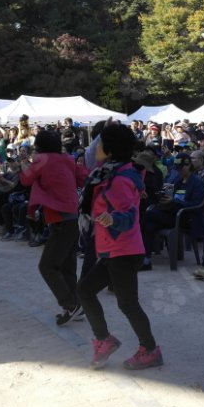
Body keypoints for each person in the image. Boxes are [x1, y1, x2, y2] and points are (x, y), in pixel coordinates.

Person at [76, 124, 163, 370]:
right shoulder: (109, 173)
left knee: (127, 303)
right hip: (113, 248)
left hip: (124, 249)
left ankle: (150, 350)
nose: (96, 148)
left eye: (100, 144)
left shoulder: (120, 178)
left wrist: (114, 219)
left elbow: (129, 212)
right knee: (84, 290)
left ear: (111, 149)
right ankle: (105, 340)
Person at [20, 130, 84, 325]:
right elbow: (81, 178)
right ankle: (76, 307)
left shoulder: (42, 159)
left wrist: (24, 161)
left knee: (47, 266)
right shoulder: (67, 158)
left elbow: (25, 179)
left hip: (60, 220)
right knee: (66, 266)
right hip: (73, 218)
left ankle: (70, 305)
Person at [139, 152, 204, 270]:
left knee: (148, 215)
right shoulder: (177, 179)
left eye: (181, 169)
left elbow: (196, 204)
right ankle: (146, 259)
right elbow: (167, 192)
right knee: (149, 225)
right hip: (171, 214)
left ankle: (139, 254)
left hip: (185, 217)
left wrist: (174, 201)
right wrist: (162, 197)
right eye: (177, 169)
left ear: (188, 165)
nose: (179, 171)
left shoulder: (197, 183)